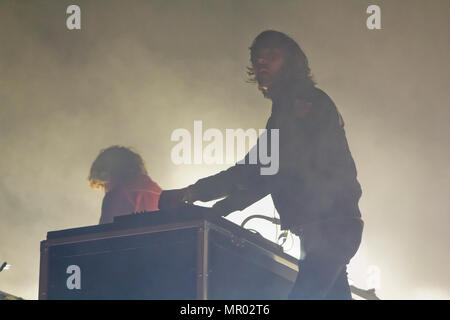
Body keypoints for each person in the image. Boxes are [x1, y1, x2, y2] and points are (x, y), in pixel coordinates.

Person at [158, 30, 363, 299]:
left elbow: (265, 170)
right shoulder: (293, 106)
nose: (261, 63)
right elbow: (265, 168)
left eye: (271, 56)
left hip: (330, 228)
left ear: (291, 62)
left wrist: (200, 197)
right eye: (257, 58)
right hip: (329, 229)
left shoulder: (302, 103)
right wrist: (208, 201)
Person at [88, 145, 162, 224]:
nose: (105, 191)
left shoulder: (116, 195)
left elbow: (104, 234)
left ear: (110, 175)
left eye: (103, 185)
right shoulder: (158, 192)